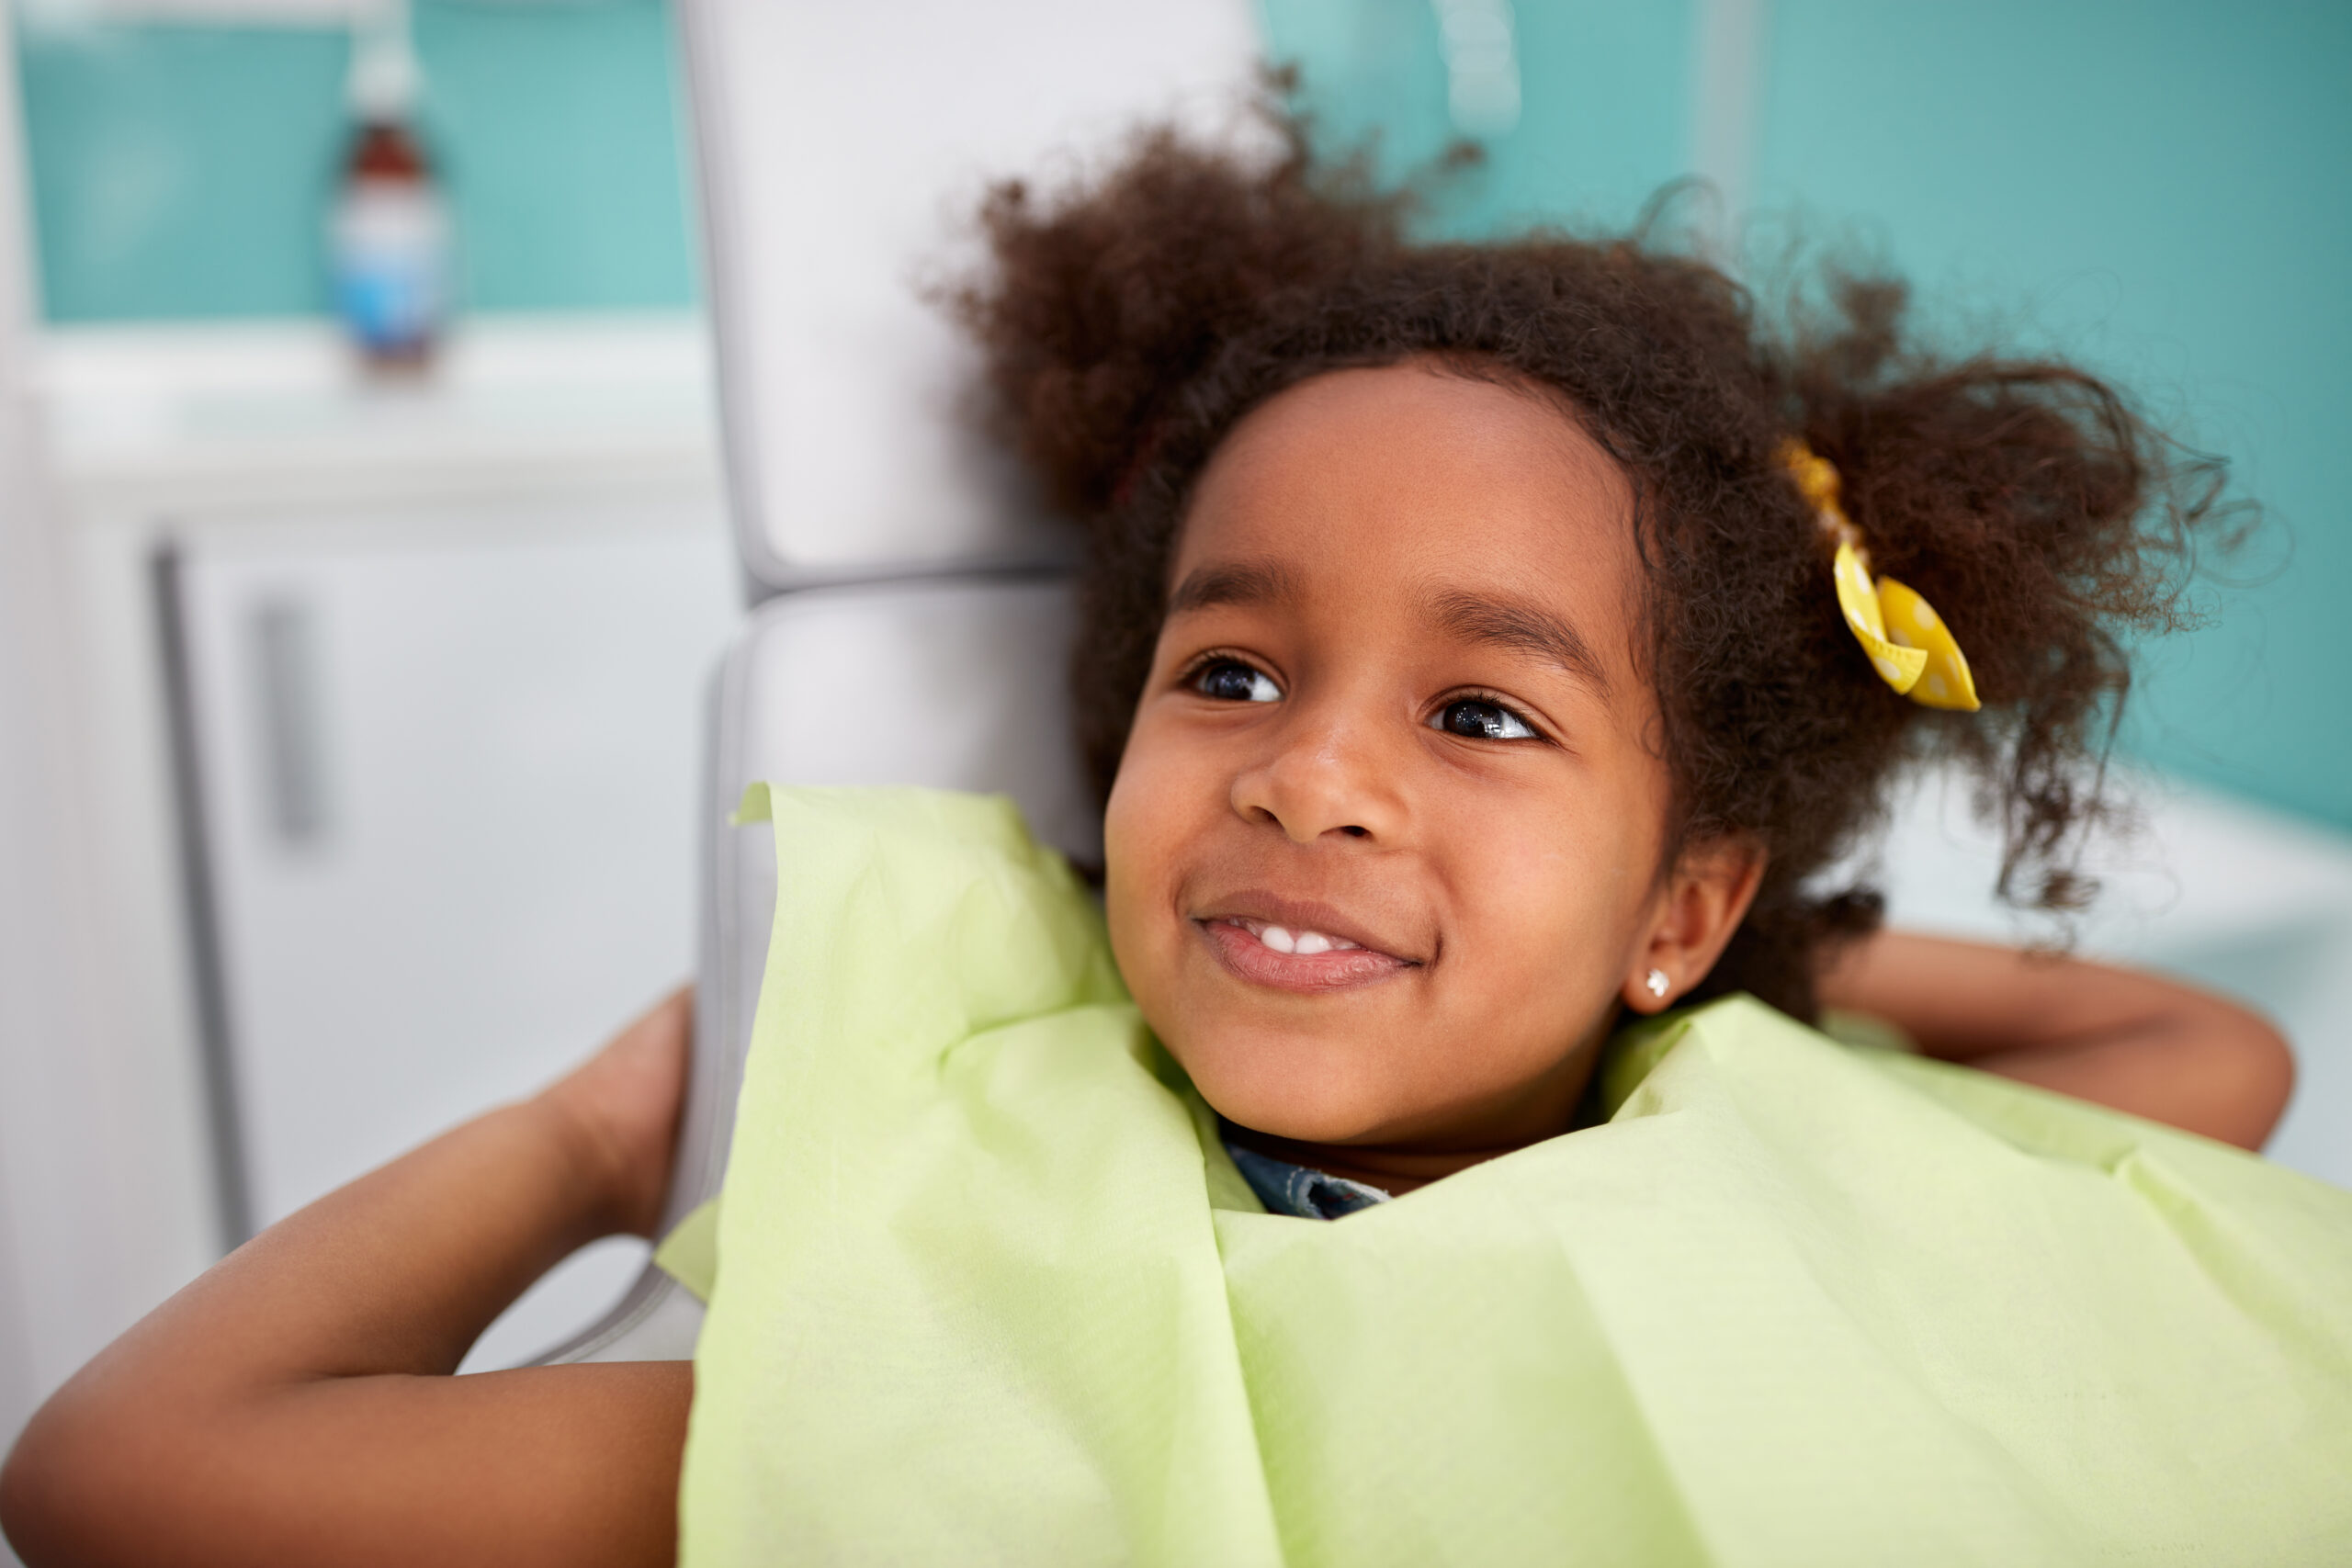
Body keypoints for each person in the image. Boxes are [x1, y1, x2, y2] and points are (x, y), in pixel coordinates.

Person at [0, 118, 2310, 1567]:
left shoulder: (1796, 1157)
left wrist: (1730, 974)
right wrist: (609, 1131)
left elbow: (2199, 1046)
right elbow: (130, 1472)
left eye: (1481, 710)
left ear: (1683, 891)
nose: (1305, 776)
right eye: (1227, 673)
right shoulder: (993, 1343)